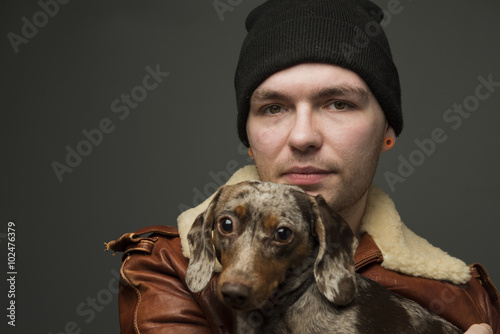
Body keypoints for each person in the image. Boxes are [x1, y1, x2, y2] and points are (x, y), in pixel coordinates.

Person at [106, 0, 499, 333]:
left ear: (387, 132)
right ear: (248, 139)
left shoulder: (467, 296)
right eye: (273, 108)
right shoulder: (165, 269)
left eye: (339, 103)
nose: (302, 136)